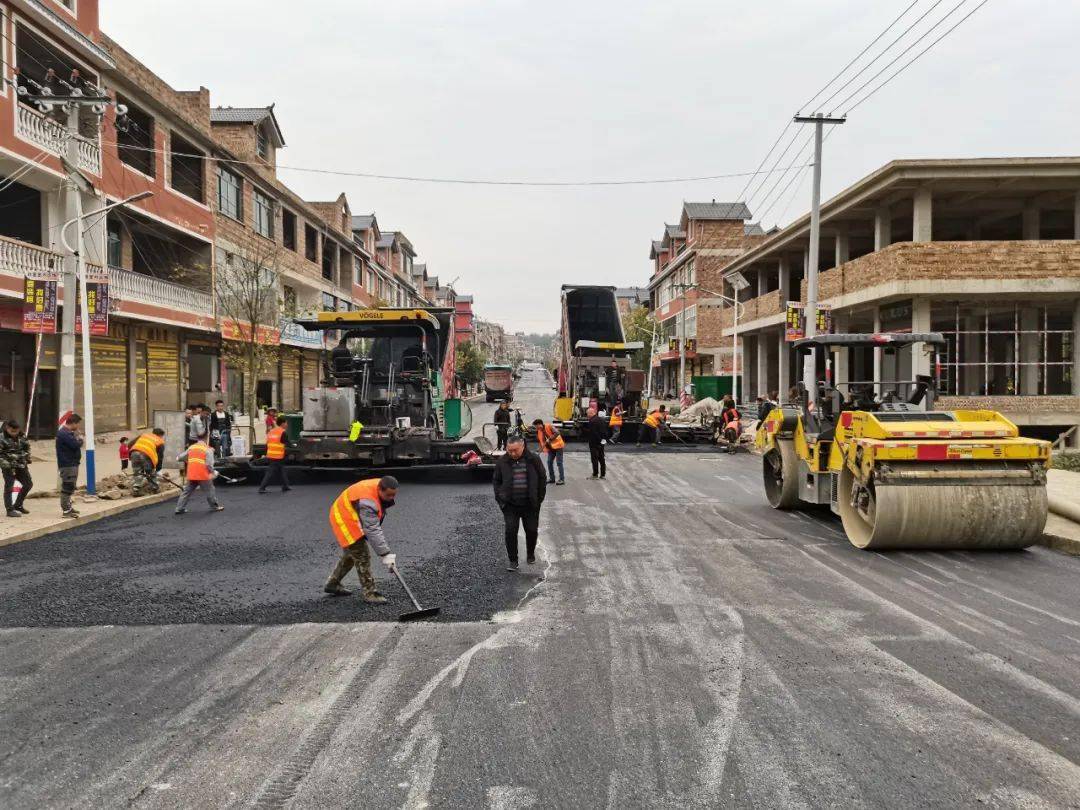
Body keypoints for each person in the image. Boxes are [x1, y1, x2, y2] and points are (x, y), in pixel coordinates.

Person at [323, 475, 400, 602]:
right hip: (344, 517)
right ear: (380, 489)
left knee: (352, 554)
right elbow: (372, 529)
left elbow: (372, 525)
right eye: (389, 495)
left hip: (353, 513)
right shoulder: (368, 502)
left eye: (394, 495)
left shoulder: (382, 485)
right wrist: (385, 554)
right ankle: (370, 593)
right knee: (362, 555)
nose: (391, 498)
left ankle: (332, 584)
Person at [492, 434, 547, 570]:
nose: (512, 453)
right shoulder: (502, 462)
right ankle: (513, 560)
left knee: (532, 530)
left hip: (530, 504)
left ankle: (530, 554)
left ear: (522, 446)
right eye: (509, 450)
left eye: (515, 450)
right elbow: (496, 481)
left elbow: (542, 478)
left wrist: (539, 498)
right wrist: (500, 499)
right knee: (510, 531)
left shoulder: (533, 459)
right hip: (510, 505)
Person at [174, 434, 224, 514]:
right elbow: (209, 465)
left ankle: (179, 508)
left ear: (198, 439)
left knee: (186, 491)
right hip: (202, 475)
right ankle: (214, 506)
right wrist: (214, 472)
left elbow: (179, 458)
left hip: (192, 474)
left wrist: (184, 459)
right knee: (210, 490)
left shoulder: (191, 447)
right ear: (206, 439)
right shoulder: (208, 449)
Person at [0, 420, 32, 517]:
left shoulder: (22, 436)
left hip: (21, 465)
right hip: (8, 466)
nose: (14, 433)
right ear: (7, 428)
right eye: (12, 431)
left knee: (28, 484)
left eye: (16, 431)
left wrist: (26, 458)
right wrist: (9, 461)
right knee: (9, 486)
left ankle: (18, 504)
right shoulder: (1, 438)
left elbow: (27, 448)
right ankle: (9, 510)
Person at [56, 413, 83, 518]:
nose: (78, 427)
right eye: (78, 424)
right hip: (68, 464)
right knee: (67, 487)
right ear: (73, 423)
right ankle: (66, 511)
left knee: (70, 486)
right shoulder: (64, 434)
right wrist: (80, 439)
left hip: (71, 463)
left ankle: (69, 507)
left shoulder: (67, 433)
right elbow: (75, 445)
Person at [258, 415, 291, 494]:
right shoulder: (282, 432)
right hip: (277, 456)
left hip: (271, 454)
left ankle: (285, 486)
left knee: (281, 470)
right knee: (270, 472)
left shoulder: (271, 431)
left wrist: (266, 454)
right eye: (286, 423)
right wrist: (294, 446)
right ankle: (262, 488)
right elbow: (287, 443)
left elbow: (267, 444)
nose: (287, 424)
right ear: (282, 424)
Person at [129, 428, 166, 496]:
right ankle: (154, 488)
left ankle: (136, 490)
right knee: (150, 472)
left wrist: (130, 454)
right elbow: (160, 457)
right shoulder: (160, 442)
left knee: (137, 472)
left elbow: (130, 444)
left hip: (134, 453)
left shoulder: (144, 435)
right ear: (160, 435)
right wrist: (158, 469)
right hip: (146, 454)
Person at [532, 418, 565, 485]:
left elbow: (557, 432)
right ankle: (552, 479)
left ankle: (562, 479)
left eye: (536, 426)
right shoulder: (539, 431)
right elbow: (542, 441)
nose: (536, 428)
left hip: (558, 446)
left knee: (559, 463)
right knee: (549, 462)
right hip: (551, 448)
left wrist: (550, 439)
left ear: (539, 424)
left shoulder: (549, 426)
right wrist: (540, 449)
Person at [585, 406, 609, 480]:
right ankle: (603, 474)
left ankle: (595, 475)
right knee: (601, 458)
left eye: (588, 414)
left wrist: (583, 429)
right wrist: (603, 440)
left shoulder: (592, 421)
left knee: (594, 459)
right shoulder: (601, 420)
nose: (587, 415)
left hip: (594, 443)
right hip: (601, 443)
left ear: (591, 413)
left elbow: (593, 433)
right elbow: (605, 431)